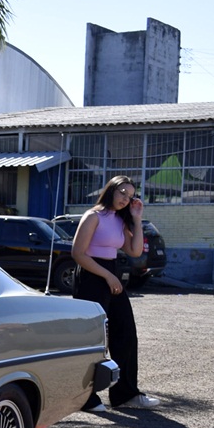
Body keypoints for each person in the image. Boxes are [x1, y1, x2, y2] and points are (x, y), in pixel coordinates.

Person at [71, 176, 161, 410]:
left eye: (130, 196)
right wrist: (107, 276)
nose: (125, 199)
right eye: (122, 192)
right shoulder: (93, 216)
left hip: (110, 273)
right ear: (110, 189)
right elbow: (78, 253)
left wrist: (137, 219)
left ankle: (126, 395)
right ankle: (86, 397)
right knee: (93, 338)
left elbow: (135, 251)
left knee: (126, 333)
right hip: (91, 275)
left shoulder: (120, 220)